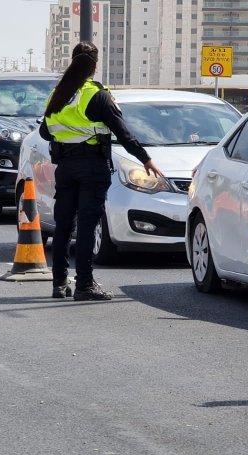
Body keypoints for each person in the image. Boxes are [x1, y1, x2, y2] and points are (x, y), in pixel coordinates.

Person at [40, 41, 162, 301]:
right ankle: (84, 284)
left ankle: (59, 283)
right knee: (87, 225)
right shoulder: (96, 95)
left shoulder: (57, 94)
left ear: (72, 62)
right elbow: (124, 133)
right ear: (94, 67)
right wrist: (146, 159)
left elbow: (44, 131)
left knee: (63, 225)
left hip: (65, 167)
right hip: (92, 168)